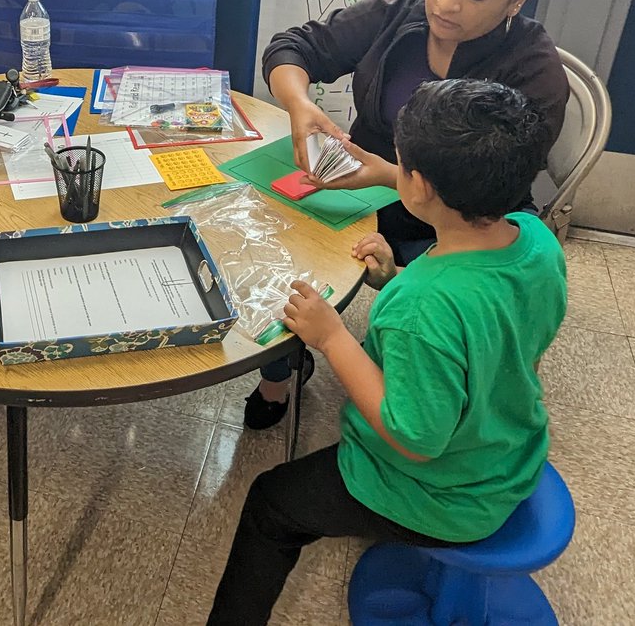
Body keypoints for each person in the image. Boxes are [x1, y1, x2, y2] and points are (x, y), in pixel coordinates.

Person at [208, 79, 566, 625]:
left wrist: (331, 337)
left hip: (442, 495)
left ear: (418, 184)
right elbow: (488, 328)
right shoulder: (535, 238)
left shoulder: (422, 307)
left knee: (270, 504)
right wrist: (392, 276)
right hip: (511, 454)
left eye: (398, 163)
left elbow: (414, 437)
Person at [244, 0, 569, 431]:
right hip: (368, 188)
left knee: (431, 316)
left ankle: (410, 383)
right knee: (278, 239)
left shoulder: (535, 71)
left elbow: (494, 181)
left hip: (466, 214)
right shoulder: (400, 13)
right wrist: (300, 107)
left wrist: (391, 175)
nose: (446, 4)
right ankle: (280, 367)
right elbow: (294, 47)